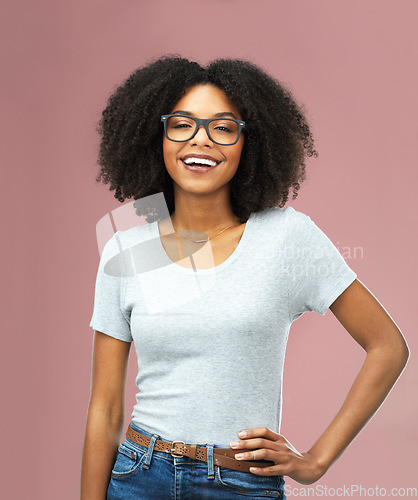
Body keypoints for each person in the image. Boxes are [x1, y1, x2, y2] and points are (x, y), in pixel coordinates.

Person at [80, 55, 409, 500]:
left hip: (240, 483)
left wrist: (315, 461)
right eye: (182, 124)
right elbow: (105, 409)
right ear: (157, 136)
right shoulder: (126, 247)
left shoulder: (287, 237)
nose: (201, 140)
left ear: (248, 143)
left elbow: (388, 346)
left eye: (223, 127)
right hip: (141, 475)